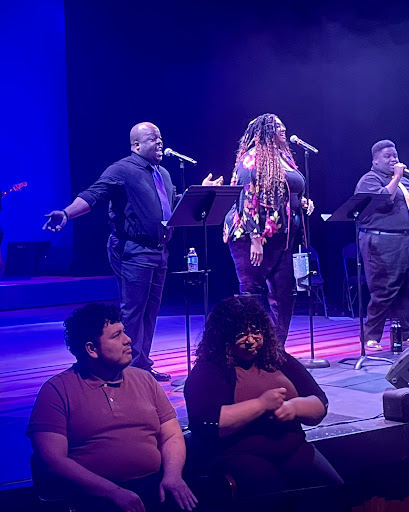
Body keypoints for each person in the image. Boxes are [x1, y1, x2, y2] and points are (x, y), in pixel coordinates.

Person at [43, 122, 222, 381]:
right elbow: (94, 195)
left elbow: (170, 206)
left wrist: (202, 192)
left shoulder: (163, 174)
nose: (159, 142)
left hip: (159, 251)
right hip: (133, 250)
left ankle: (141, 366)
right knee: (134, 312)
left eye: (160, 137)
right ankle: (125, 369)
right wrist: (66, 213)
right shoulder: (123, 169)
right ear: (136, 145)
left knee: (150, 312)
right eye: (152, 138)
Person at [26, 303, 197, 512]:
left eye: (124, 332)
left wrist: (173, 476)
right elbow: (52, 460)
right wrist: (113, 493)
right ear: (91, 349)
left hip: (157, 487)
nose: (128, 339)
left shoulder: (145, 379)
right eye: (116, 336)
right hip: (94, 497)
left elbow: (171, 435)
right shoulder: (57, 391)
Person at [184, 296, 342, 509]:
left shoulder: (277, 358)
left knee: (335, 492)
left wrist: (293, 408)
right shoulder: (209, 371)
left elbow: (320, 402)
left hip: (293, 449)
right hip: (240, 455)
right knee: (276, 499)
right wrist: (261, 405)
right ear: (224, 337)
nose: (251, 340)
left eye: (256, 332)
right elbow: (208, 424)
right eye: (241, 335)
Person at [223, 114, 314, 345]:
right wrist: (255, 238)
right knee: (252, 292)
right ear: (263, 132)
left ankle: (275, 348)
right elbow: (246, 198)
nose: (283, 129)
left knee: (285, 293)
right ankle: (250, 347)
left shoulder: (283, 158)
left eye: (283, 125)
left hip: (283, 238)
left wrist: (302, 202)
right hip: (251, 237)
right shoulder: (250, 160)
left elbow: (289, 191)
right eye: (276, 126)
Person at [355, 139, 409, 351]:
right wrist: (397, 177)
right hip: (383, 242)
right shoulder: (370, 179)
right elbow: (383, 200)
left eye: (395, 156)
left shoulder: (407, 183)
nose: (393, 160)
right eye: (387, 156)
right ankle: (370, 336)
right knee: (384, 290)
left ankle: (404, 333)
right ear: (375, 161)